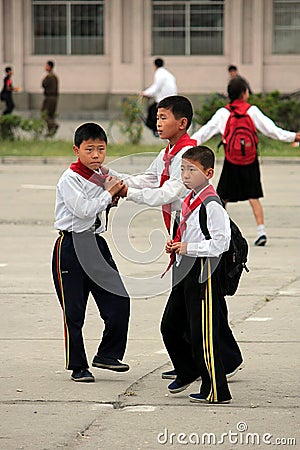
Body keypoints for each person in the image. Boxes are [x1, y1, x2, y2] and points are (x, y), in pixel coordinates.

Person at [107, 95, 243, 380]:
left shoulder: (188, 155)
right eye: (157, 118)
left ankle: (201, 364)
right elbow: (149, 179)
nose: (157, 123)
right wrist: (115, 178)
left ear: (182, 123)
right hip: (182, 235)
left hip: (198, 237)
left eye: (163, 118)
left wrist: (127, 193)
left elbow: (168, 192)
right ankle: (218, 359)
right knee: (201, 302)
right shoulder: (169, 152)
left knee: (197, 303)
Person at [51, 122, 130, 382]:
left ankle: (108, 354)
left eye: (101, 149)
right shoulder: (70, 179)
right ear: (77, 150)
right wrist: (110, 193)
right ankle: (78, 366)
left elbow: (125, 183)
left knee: (119, 300)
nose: (96, 155)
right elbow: (84, 210)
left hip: (96, 243)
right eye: (89, 149)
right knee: (74, 311)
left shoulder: (103, 173)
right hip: (72, 246)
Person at [191, 76, 300, 246]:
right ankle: (261, 231)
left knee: (222, 198)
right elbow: (272, 130)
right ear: (244, 93)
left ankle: (217, 230)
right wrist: (293, 136)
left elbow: (205, 132)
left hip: (231, 161)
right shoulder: (252, 111)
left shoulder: (223, 114)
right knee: (253, 196)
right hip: (250, 160)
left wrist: (186, 145)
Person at [161, 145, 232, 404]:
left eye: (192, 169)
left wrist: (189, 247)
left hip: (202, 271)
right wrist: (176, 246)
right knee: (169, 326)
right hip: (185, 268)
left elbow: (221, 242)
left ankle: (216, 389)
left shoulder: (211, 203)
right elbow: (189, 233)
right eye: (182, 169)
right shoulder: (190, 198)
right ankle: (189, 370)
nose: (186, 174)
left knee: (203, 334)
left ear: (209, 173)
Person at [141, 58, 177, 136]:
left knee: (152, 110)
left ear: (155, 65)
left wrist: (145, 93)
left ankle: (157, 129)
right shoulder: (167, 74)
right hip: (171, 97)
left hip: (164, 99)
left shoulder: (159, 74)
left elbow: (156, 87)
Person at [41, 60, 59, 137]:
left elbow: (43, 84)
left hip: (49, 98)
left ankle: (53, 125)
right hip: (54, 97)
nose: (45, 67)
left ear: (49, 67)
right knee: (51, 114)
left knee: (45, 113)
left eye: (46, 66)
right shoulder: (55, 77)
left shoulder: (49, 77)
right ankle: (50, 131)